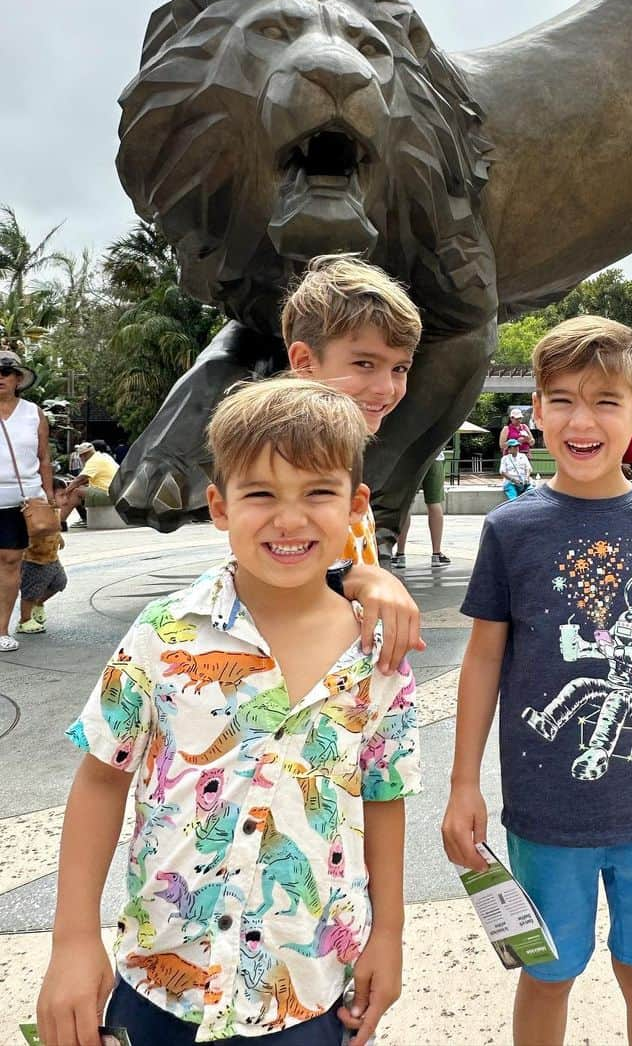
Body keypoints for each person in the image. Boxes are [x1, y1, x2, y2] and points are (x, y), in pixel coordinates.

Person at [37, 378, 419, 1044]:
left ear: (357, 505)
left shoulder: (381, 657)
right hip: (159, 982)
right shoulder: (164, 633)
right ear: (219, 505)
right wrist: (72, 941)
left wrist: (389, 933)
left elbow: (386, 795)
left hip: (306, 988)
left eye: (318, 493)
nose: (290, 519)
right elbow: (102, 777)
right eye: (261, 494)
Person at [442, 316, 632, 1046]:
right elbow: (482, 660)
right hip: (546, 814)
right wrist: (464, 782)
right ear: (535, 410)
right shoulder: (512, 530)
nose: (582, 419)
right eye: (562, 398)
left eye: (606, 400)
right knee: (547, 974)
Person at [282, 253, 428, 673]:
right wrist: (356, 579)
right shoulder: (289, 458)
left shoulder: (338, 452)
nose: (385, 387)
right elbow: (267, 567)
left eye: (400, 368)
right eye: (365, 363)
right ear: (305, 362)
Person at [0, 352, 54, 652]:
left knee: (9, 562)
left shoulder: (34, 413)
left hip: (22, 501)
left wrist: (49, 495)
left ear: (18, 379)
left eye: (6, 372)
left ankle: (2, 629)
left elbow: (44, 458)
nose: (0, 377)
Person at [394, 448, 451, 567]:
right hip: (434, 458)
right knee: (434, 503)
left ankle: (400, 555)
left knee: (406, 505)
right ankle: (436, 554)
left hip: (409, 460)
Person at [16, 526, 67, 635]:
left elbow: (52, 519)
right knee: (31, 590)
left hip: (50, 551)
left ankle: (37, 604)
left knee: (59, 582)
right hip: (34, 556)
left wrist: (58, 535)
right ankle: (24, 620)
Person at [57, 440, 118, 526]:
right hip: (115, 492)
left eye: (80, 456)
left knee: (75, 492)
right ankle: (85, 518)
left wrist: (65, 493)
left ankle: (60, 522)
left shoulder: (93, 461)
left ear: (84, 455)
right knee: (80, 488)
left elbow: (79, 479)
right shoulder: (104, 456)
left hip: (107, 494)